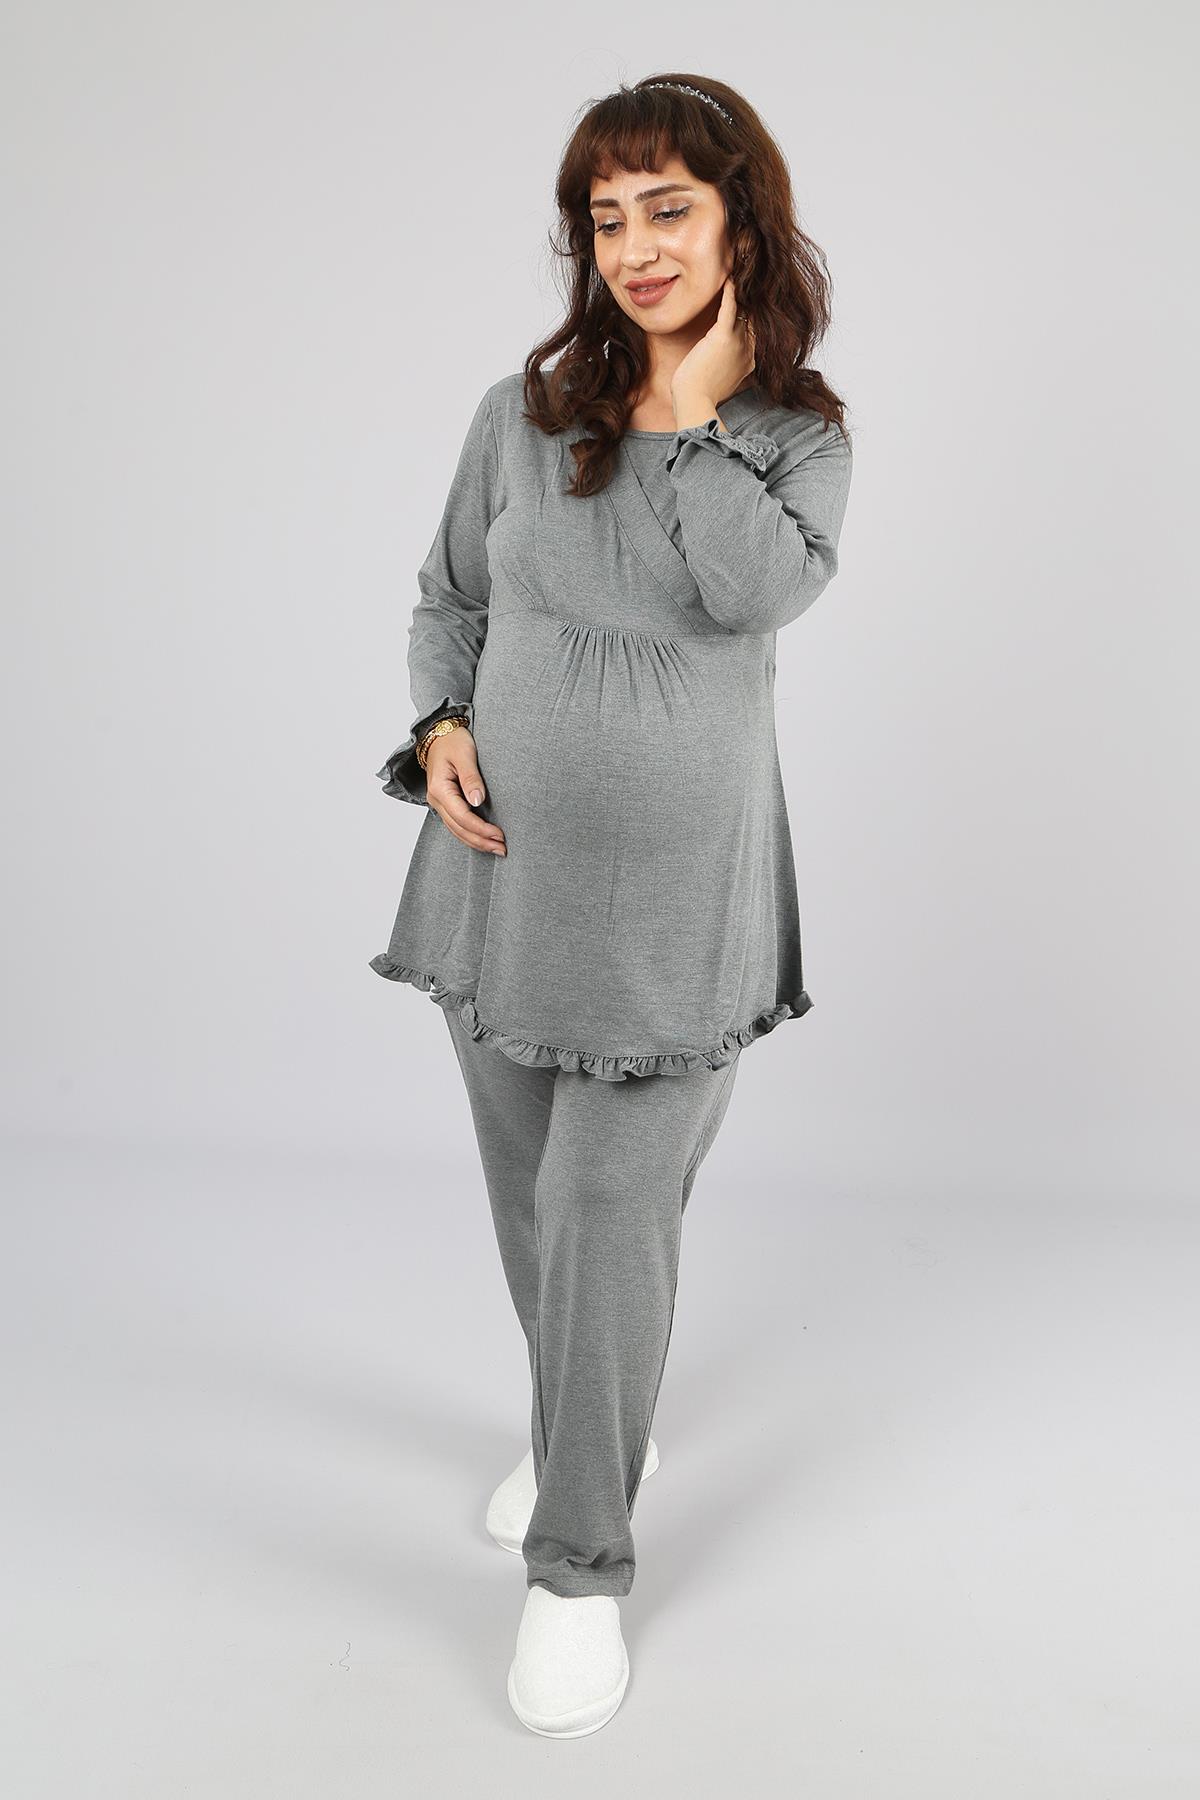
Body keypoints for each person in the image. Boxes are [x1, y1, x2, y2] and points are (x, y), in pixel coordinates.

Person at [368, 72, 854, 1737]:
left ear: (738, 225)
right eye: (606, 218)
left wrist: (696, 405)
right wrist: (442, 724)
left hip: (672, 907)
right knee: (533, 1198)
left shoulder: (794, 439)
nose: (635, 248)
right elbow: (448, 594)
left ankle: (579, 1565)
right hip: (499, 880)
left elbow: (754, 588)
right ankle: (590, 1423)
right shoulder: (521, 410)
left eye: (669, 210)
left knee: (603, 1209)